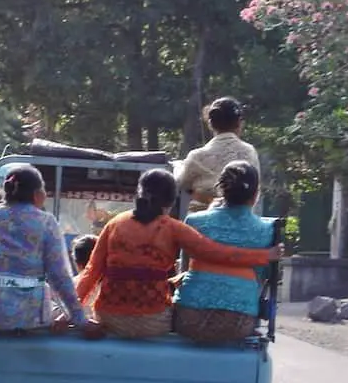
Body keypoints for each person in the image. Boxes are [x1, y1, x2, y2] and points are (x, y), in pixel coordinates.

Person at [75, 169, 282, 338]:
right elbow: (218, 253)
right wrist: (265, 256)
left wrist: (72, 313)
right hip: (153, 323)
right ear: (171, 201)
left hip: (110, 318)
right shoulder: (173, 228)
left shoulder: (114, 224)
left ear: (138, 195)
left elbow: (92, 271)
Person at [0, 165, 87, 330]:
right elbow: (59, 276)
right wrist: (79, 318)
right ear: (37, 194)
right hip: (30, 317)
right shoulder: (46, 222)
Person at [173, 160, 274, 343]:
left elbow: (184, 270)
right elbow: (262, 278)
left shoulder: (194, 221)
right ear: (255, 194)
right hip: (238, 323)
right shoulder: (266, 230)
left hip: (189, 320)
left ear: (221, 190)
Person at [176, 97, 260, 213]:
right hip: (238, 222)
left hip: (199, 225)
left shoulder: (196, 156)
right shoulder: (249, 152)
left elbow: (180, 183)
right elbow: (255, 189)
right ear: (240, 123)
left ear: (210, 124)